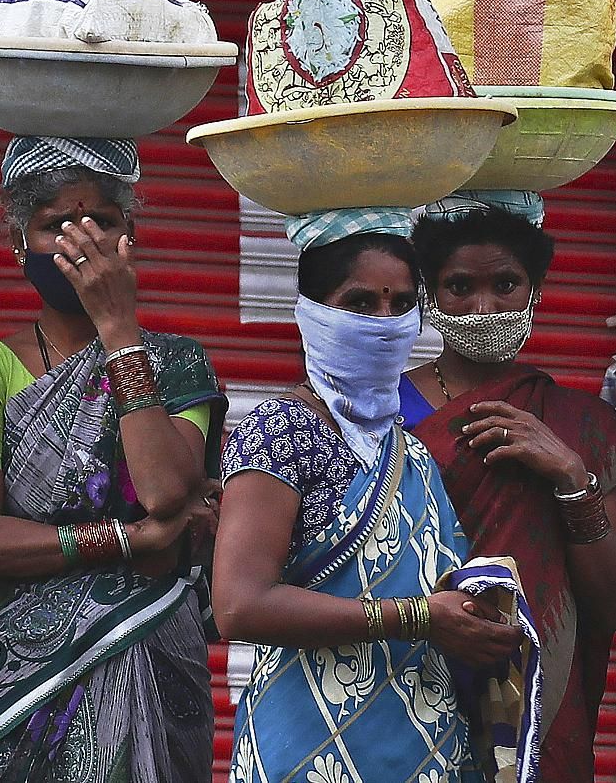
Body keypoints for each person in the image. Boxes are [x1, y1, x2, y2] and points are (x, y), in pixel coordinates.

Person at [0, 136, 227, 783]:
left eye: (102, 222)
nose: (81, 241)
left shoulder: (178, 361)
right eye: (55, 226)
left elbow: (166, 494)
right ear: (19, 244)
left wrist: (118, 330)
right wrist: (129, 538)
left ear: (132, 237)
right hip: (26, 690)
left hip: (152, 659)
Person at [215, 209, 530, 783]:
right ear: (311, 312)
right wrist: (417, 618)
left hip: (422, 749)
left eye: (401, 304)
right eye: (360, 304)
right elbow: (239, 604)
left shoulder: (410, 452)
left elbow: (442, 585)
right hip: (305, 748)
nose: (384, 323)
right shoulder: (278, 430)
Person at [400, 200, 616, 783]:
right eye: (460, 286)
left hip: (534, 698)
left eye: (506, 284)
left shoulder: (581, 428)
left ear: (534, 293)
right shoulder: (377, 415)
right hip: (402, 673)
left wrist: (570, 477)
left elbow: (614, 603)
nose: (484, 306)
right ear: (430, 297)